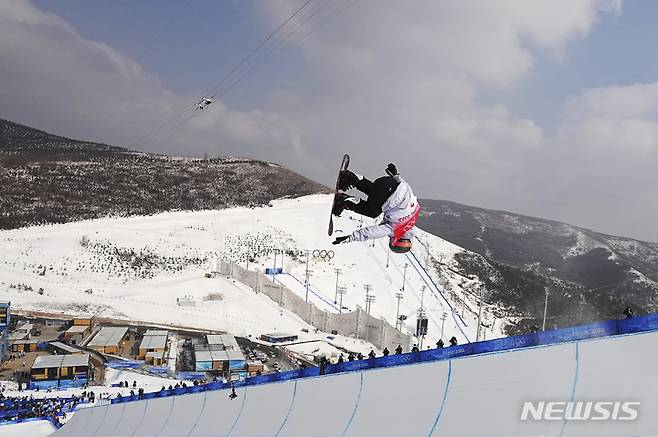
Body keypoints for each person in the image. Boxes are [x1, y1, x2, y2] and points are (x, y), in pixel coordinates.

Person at [332, 163, 420, 254]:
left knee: (377, 197)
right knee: (373, 212)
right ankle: (344, 201)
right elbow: (372, 232)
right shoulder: (396, 230)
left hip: (388, 182)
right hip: (384, 194)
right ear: (396, 241)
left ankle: (352, 178)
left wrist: (395, 175)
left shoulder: (414, 215)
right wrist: (351, 237)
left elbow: (406, 191)